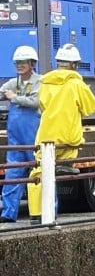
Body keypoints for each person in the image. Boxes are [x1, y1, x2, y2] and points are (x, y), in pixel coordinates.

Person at [27, 43, 95, 222]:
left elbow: (41, 105)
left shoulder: (44, 83)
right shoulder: (76, 84)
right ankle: (65, 165)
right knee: (63, 162)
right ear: (75, 64)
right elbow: (92, 107)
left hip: (45, 136)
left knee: (37, 174)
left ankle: (36, 214)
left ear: (58, 62)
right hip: (69, 139)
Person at [0, 45, 42, 222]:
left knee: (40, 174)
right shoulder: (13, 83)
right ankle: (8, 214)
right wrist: (5, 94)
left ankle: (43, 212)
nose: (19, 65)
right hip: (16, 140)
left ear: (32, 64)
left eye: (23, 62)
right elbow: (3, 92)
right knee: (13, 175)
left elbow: (35, 101)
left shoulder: (41, 81)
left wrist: (14, 98)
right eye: (17, 62)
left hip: (34, 137)